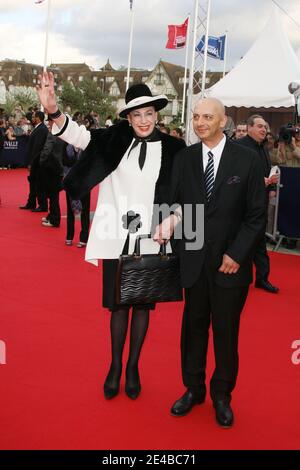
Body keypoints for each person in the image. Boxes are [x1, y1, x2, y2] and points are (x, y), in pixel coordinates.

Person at [37, 71, 185, 400]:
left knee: (143, 306)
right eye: (137, 114)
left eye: (149, 113)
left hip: (152, 238)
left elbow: (189, 194)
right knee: (118, 307)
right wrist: (52, 110)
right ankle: (115, 366)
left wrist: (174, 220)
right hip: (117, 235)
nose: (144, 120)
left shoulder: (176, 149)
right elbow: (78, 136)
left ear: (156, 114)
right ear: (128, 117)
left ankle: (133, 366)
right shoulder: (115, 140)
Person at [154, 98, 266, 427]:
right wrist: (169, 222)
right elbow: (174, 202)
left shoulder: (246, 160)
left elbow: (256, 215)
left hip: (231, 264)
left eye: (207, 117)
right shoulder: (185, 159)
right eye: (195, 116)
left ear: (223, 121)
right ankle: (193, 388)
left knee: (225, 332)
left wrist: (237, 254)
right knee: (193, 328)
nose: (199, 122)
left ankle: (221, 395)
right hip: (193, 260)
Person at [238, 115, 279, 293]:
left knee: (260, 242)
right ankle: (238, 276)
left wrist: (272, 186)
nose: (264, 130)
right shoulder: (239, 147)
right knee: (240, 240)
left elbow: (268, 170)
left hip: (260, 202)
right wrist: (256, 182)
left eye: (265, 127)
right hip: (242, 204)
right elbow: (235, 177)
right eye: (260, 126)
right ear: (249, 128)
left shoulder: (264, 148)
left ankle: (262, 278)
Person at [19, 111, 49, 211]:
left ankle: (42, 205)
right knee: (33, 182)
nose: (31, 119)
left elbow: (37, 148)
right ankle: (31, 203)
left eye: (33, 117)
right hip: (35, 161)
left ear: (38, 118)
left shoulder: (41, 129)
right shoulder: (38, 128)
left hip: (37, 162)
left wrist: (32, 163)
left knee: (38, 184)